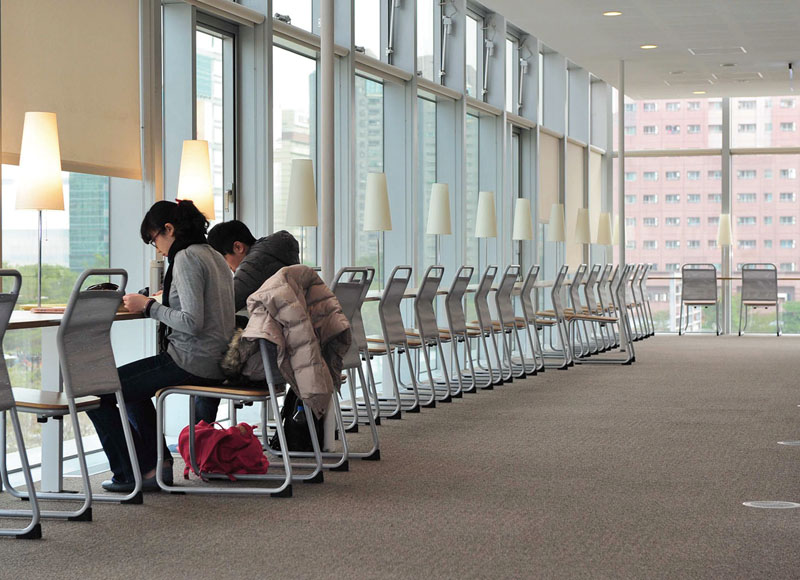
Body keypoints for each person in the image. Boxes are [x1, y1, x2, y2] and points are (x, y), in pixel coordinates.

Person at [87, 200, 235, 492]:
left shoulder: (186, 257)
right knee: (131, 389)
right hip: (216, 358)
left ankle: (131, 473)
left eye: (155, 240)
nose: (158, 249)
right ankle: (158, 466)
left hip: (191, 359)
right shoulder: (213, 254)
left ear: (169, 229)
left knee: (97, 391)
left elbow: (192, 321)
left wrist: (149, 306)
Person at [207, 220, 299, 313]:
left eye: (223, 259)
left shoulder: (256, 264)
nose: (226, 267)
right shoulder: (272, 253)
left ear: (238, 247)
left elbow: (225, 305)